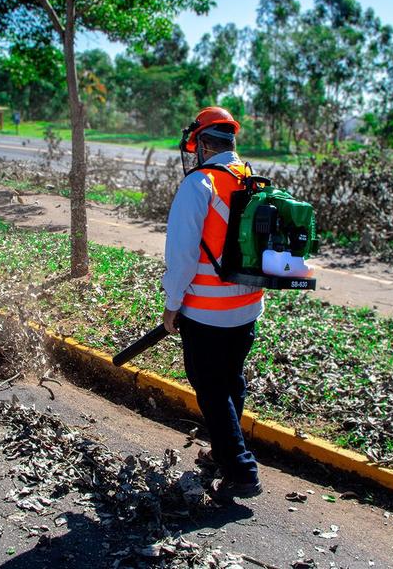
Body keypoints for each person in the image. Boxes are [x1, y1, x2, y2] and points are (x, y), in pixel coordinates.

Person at [162, 106, 264, 500]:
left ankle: (241, 470)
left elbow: (183, 256)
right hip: (248, 307)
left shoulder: (199, 184)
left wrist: (173, 304)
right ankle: (222, 454)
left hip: (206, 312)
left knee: (210, 389)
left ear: (204, 144)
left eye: (196, 146)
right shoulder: (249, 178)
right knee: (231, 381)